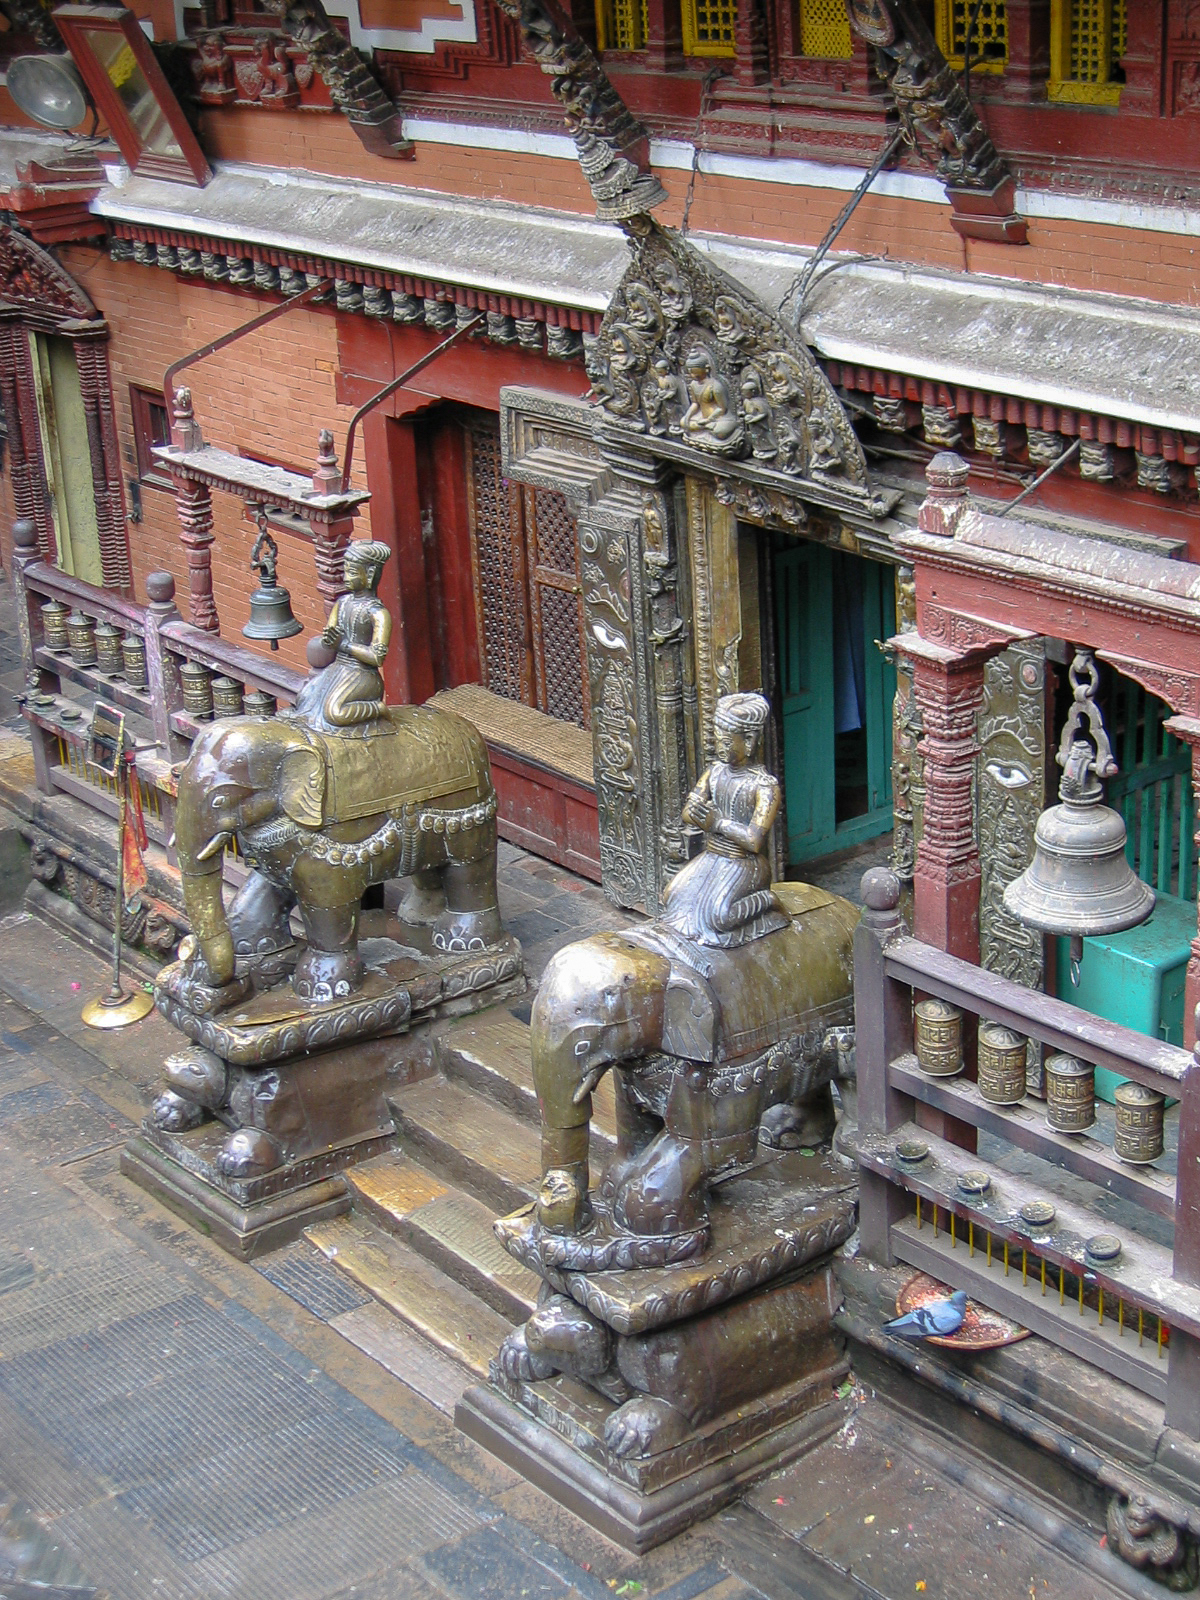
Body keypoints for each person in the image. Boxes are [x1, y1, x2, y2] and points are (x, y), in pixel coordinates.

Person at [661, 692, 788, 948]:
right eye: (717, 738)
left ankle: (768, 902)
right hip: (713, 856)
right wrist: (698, 812)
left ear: (749, 741)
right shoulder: (715, 771)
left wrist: (717, 823)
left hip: (744, 864)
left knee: (720, 916)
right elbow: (688, 812)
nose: (719, 745)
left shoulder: (764, 786)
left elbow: (753, 840)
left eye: (727, 741)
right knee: (671, 897)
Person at [294, 540, 392, 729]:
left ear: (370, 574)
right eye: (346, 571)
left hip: (362, 674)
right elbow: (331, 638)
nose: (346, 577)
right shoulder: (342, 602)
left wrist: (343, 644)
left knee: (335, 713)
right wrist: (329, 639)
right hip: (338, 668)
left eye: (353, 572)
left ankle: (376, 708)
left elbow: (377, 657)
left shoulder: (378, 613)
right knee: (304, 698)